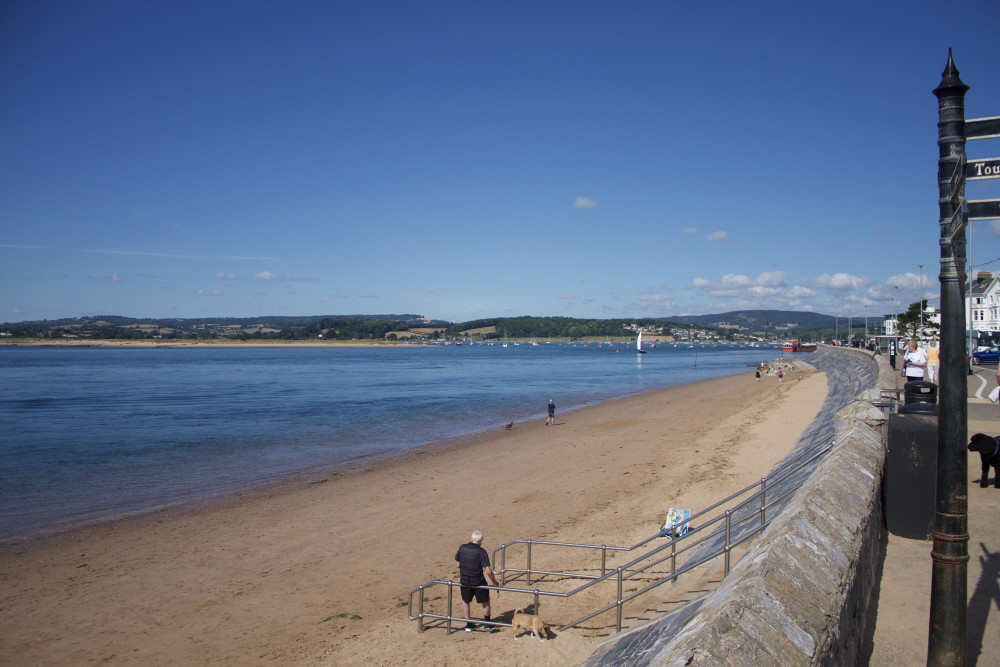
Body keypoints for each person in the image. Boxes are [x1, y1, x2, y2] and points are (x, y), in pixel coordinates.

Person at [455, 530, 500, 632]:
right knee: (485, 602)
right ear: (481, 541)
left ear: (471, 539)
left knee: (465, 601)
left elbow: (457, 564)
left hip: (465, 580)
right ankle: (487, 624)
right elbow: (488, 571)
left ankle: (468, 624)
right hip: (478, 580)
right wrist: (495, 582)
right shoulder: (481, 552)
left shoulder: (462, 548)